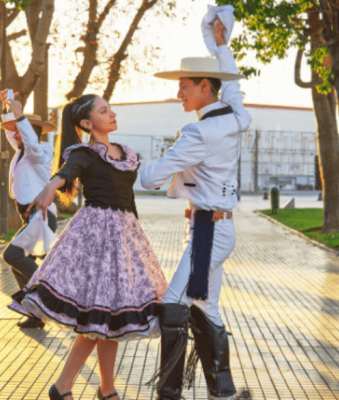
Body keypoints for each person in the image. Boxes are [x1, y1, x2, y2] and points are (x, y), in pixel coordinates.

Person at [13, 94, 168, 400]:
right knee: (99, 320)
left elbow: (130, 199)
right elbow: (65, 173)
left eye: (110, 108)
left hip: (126, 236)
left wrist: (136, 237)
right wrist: (48, 189)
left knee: (109, 321)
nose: (111, 113)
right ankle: (67, 387)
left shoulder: (126, 153)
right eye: (103, 111)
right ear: (86, 123)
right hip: (96, 238)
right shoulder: (83, 152)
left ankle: (104, 389)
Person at [140, 17, 252, 400]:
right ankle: (223, 389)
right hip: (214, 228)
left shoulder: (198, 132)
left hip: (208, 232)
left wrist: (149, 161)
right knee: (206, 308)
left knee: (173, 305)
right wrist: (220, 42)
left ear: (205, 86)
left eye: (184, 87)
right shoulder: (236, 117)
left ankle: (168, 392)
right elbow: (233, 83)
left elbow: (150, 179)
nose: (179, 95)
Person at [0, 90, 58, 330]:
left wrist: (19, 114)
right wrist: (8, 108)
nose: (14, 133)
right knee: (17, 259)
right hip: (32, 219)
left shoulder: (40, 151)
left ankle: (44, 294)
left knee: (11, 255)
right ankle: (35, 313)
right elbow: (16, 138)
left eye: (19, 128)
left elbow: (30, 145)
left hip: (42, 216)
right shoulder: (22, 151)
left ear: (30, 132)